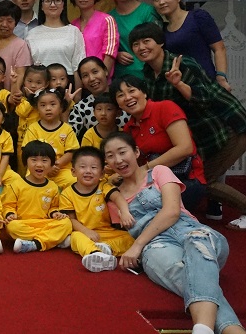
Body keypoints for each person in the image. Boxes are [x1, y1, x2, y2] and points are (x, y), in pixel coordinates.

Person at [102, 132, 246, 334]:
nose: (118, 160)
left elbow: (171, 211)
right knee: (188, 275)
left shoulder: (159, 171)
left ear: (136, 152)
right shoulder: (115, 200)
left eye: (122, 152)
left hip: (191, 230)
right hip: (157, 246)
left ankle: (203, 329)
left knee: (198, 244)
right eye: (110, 156)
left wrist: (137, 245)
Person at [130, 22, 246, 229]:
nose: (141, 47)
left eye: (146, 41)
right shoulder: (148, 74)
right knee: (202, 179)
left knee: (205, 181)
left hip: (228, 125)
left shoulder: (183, 64)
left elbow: (204, 99)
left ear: (161, 43)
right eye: (136, 44)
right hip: (203, 135)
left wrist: (179, 84)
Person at [111, 75, 206, 212]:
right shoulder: (129, 129)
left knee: (138, 210)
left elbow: (185, 148)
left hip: (185, 179)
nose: (127, 97)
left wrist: (146, 168)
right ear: (118, 104)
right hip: (151, 183)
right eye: (121, 95)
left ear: (144, 93)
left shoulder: (165, 108)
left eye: (132, 91)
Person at [60, 146, 135, 272]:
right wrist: (86, 231)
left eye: (94, 167)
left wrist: (125, 212)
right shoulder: (67, 194)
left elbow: (118, 198)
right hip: (84, 232)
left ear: (102, 173)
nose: (88, 171)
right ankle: (94, 253)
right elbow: (71, 220)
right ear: (73, 171)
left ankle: (107, 248)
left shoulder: (104, 186)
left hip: (107, 232)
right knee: (75, 237)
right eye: (83, 167)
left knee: (131, 238)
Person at [153, 0, 231, 90]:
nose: (161, 2)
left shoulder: (198, 17)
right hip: (179, 86)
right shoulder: (162, 29)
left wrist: (221, 77)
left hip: (205, 82)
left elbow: (219, 48)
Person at [1, 140, 72, 254]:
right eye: (34, 160)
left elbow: (53, 207)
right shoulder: (15, 185)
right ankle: (52, 240)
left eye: (44, 160)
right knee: (12, 227)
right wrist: (10, 214)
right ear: (26, 162)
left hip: (44, 223)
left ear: (51, 164)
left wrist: (55, 214)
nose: (39, 164)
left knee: (66, 223)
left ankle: (34, 244)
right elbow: (8, 206)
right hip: (23, 223)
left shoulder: (53, 187)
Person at [25, 0, 86, 90]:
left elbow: (77, 67)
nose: (53, 5)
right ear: (41, 6)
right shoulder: (32, 34)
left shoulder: (74, 32)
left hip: (67, 85)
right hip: (39, 86)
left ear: (63, 5)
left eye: (57, 0)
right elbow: (28, 68)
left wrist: (77, 96)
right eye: (48, 1)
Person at [107, 0, 161, 79]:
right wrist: (116, 54)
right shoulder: (108, 18)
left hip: (147, 74)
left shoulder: (148, 12)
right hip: (120, 77)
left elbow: (158, 42)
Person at [21, 87, 79, 190]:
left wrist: (56, 165)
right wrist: (46, 167)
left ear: (61, 107)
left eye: (53, 104)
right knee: (29, 182)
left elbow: (71, 152)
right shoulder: (33, 129)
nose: (48, 108)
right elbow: (28, 152)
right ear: (37, 109)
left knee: (74, 181)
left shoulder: (67, 129)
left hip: (61, 169)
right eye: (43, 105)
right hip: (38, 168)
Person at [69, 57, 130, 140]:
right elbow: (68, 136)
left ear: (105, 71)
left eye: (95, 72)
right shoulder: (81, 107)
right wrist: (65, 108)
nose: (91, 78)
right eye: (85, 75)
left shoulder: (125, 98)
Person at [70, 0, 119, 79]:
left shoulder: (107, 20)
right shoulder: (72, 25)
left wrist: (100, 78)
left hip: (100, 81)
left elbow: (110, 54)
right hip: (79, 81)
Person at [0, 0, 32, 91]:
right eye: (0, 20)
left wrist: (13, 94)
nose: (4, 25)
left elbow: (20, 74)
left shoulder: (21, 45)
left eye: (9, 21)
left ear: (15, 23)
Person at [12, 64, 49, 175]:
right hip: (22, 142)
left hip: (40, 141)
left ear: (46, 84)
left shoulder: (44, 102)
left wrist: (38, 98)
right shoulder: (22, 100)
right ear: (24, 82)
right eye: (29, 81)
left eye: (38, 83)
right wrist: (31, 98)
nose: (33, 85)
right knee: (22, 170)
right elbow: (22, 112)